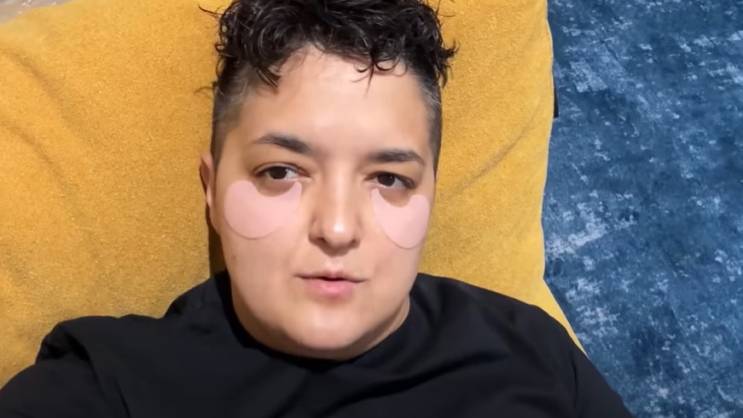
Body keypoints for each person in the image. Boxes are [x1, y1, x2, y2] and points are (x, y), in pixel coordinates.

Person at [0, 0, 634, 416]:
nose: (336, 228)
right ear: (212, 191)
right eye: (280, 172)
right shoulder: (104, 389)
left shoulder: (534, 355)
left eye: (389, 179)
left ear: (431, 196)